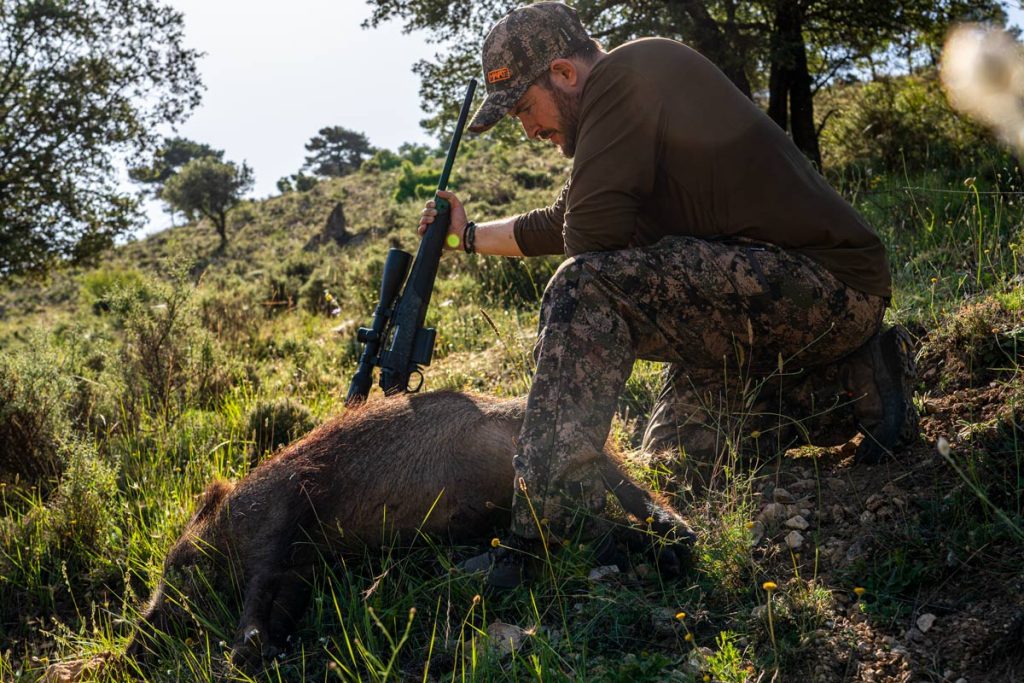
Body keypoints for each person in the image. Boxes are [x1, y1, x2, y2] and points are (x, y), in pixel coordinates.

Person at [419, 1, 918, 587]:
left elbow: (586, 240)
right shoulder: (623, 98)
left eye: (526, 108)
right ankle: (858, 385)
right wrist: (469, 236)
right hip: (776, 300)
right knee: (679, 461)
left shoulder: (630, 74)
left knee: (584, 288)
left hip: (824, 284)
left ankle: (547, 532)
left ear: (564, 72)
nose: (528, 130)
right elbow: (567, 219)